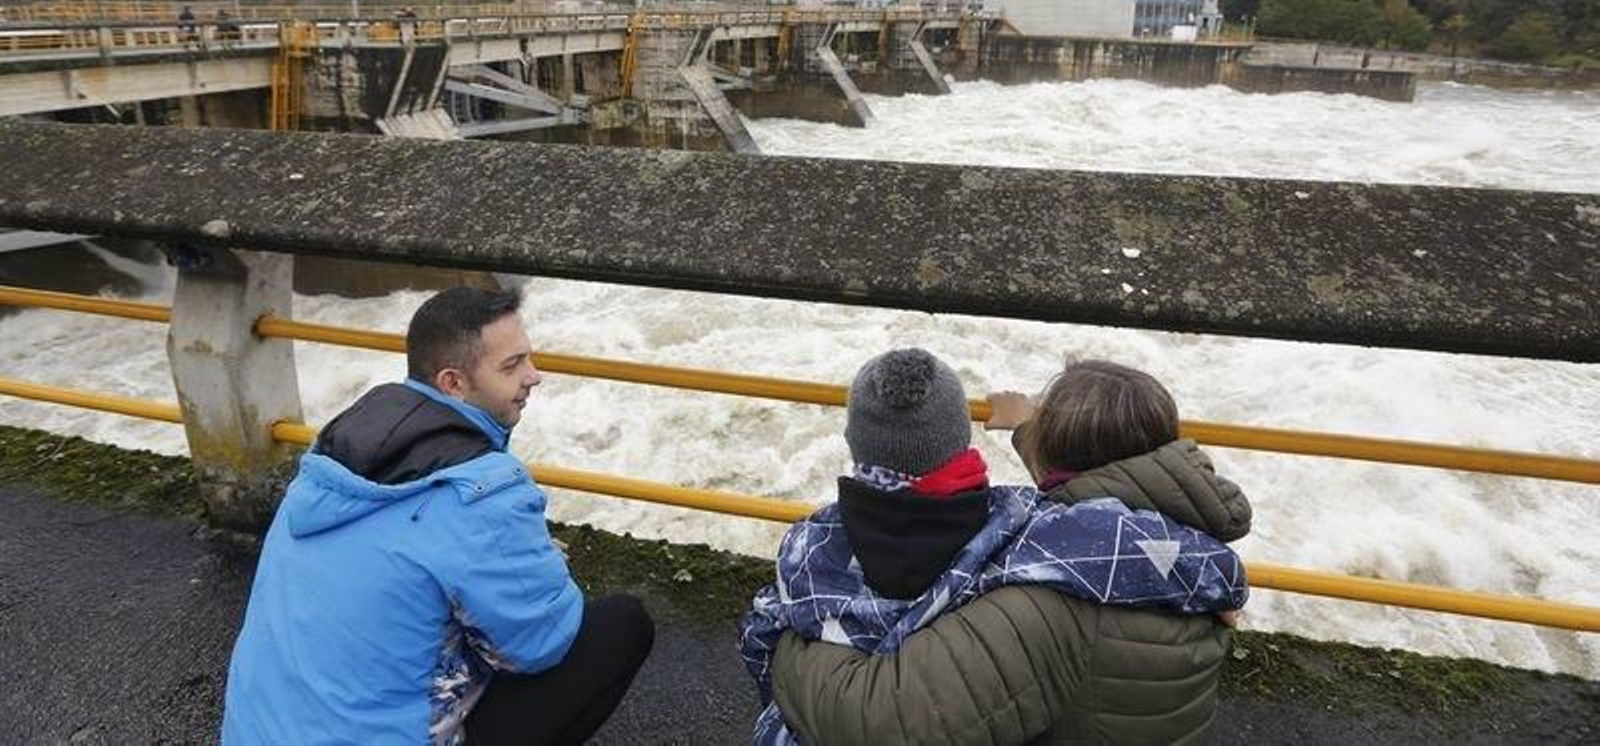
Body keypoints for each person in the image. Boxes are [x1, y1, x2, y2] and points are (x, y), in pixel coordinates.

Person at [744, 351, 1248, 745]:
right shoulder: (1189, 554)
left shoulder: (1050, 604)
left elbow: (884, 722)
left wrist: (787, 643)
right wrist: (1029, 425)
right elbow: (1085, 493)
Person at [223, 287, 654, 746]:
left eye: (528, 358)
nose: (534, 376)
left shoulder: (336, 451)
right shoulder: (482, 491)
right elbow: (540, 645)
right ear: (453, 383)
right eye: (511, 366)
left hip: (255, 734)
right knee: (623, 624)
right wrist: (545, 563)